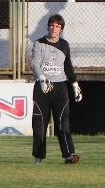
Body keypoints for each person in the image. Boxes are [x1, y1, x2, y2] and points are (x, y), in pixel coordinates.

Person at [29, 13, 82, 165]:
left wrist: (74, 84)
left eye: (57, 26)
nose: (54, 28)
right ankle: (38, 157)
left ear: (61, 29)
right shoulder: (39, 43)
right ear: (48, 27)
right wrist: (41, 78)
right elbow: (34, 62)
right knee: (39, 124)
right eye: (52, 25)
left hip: (60, 88)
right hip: (42, 88)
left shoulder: (64, 45)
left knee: (62, 122)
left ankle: (69, 155)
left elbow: (68, 66)